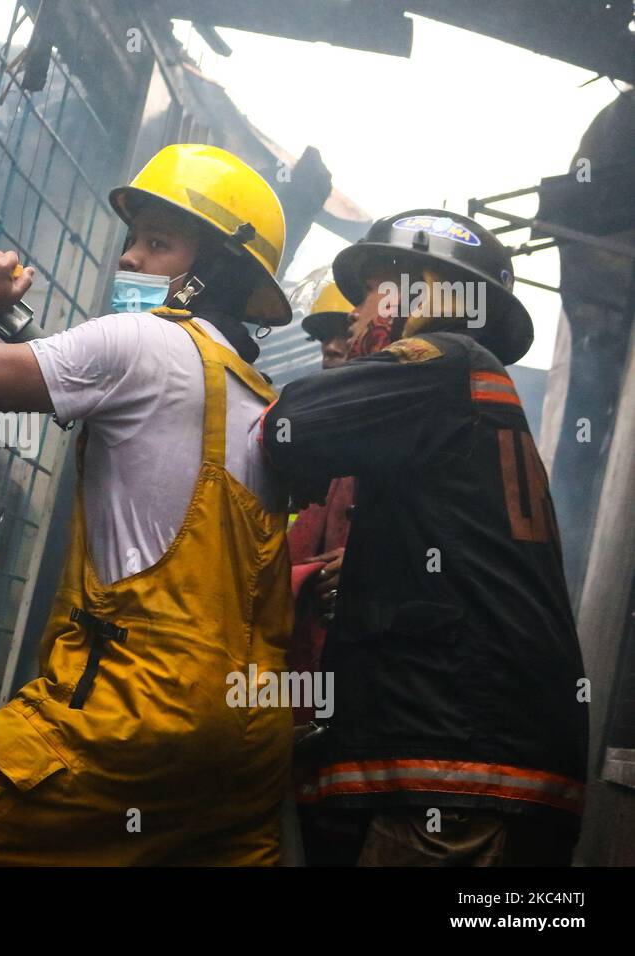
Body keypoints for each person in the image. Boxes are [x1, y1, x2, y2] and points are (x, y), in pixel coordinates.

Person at [0, 144, 297, 865]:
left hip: (137, 708)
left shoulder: (144, 342)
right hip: (250, 739)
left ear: (215, 270)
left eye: (157, 243)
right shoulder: (259, 398)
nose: (128, 259)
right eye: (132, 240)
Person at [261, 210, 588, 866]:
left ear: (424, 294)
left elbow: (294, 423)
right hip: (490, 763)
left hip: (458, 769)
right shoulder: (468, 391)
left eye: (370, 293)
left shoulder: (442, 360)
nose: (354, 318)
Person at [284, 278, 358, 864]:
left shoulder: (393, 439)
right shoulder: (307, 441)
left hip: (364, 709)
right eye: (324, 337)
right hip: (294, 694)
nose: (331, 347)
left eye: (344, 333)